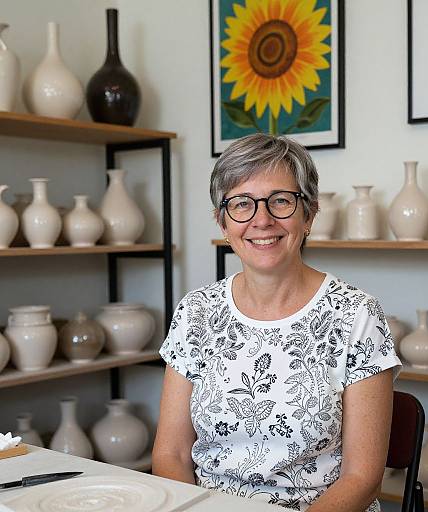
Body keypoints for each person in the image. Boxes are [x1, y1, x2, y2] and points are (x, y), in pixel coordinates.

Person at [153, 133, 401, 511]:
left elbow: (362, 479)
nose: (262, 220)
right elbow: (171, 455)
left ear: (310, 214)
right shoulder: (196, 312)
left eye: (281, 201)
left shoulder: (356, 314)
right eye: (241, 204)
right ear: (222, 221)